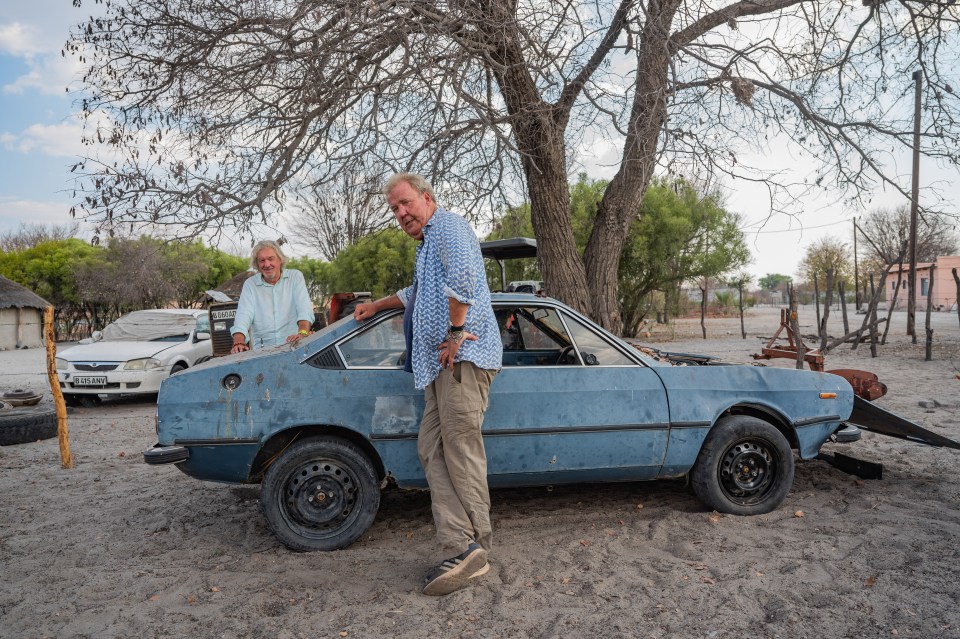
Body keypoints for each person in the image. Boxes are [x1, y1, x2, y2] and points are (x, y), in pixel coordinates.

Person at [353, 173, 502, 596]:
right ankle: (460, 544)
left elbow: (464, 281)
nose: (401, 214)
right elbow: (414, 293)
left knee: (459, 446)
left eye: (405, 204)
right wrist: (375, 306)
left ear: (426, 198)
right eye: (394, 210)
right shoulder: (427, 246)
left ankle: (478, 546)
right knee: (431, 446)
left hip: (463, 359)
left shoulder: (450, 227)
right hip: (439, 366)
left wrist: (455, 331)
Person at [230, 240, 315, 353]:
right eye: (262, 260)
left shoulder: (295, 277)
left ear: (280, 259)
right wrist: (238, 342)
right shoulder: (250, 284)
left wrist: (303, 333)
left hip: (294, 345)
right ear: (257, 265)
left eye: (271, 259)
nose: (267, 264)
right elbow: (243, 315)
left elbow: (304, 308)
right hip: (263, 351)